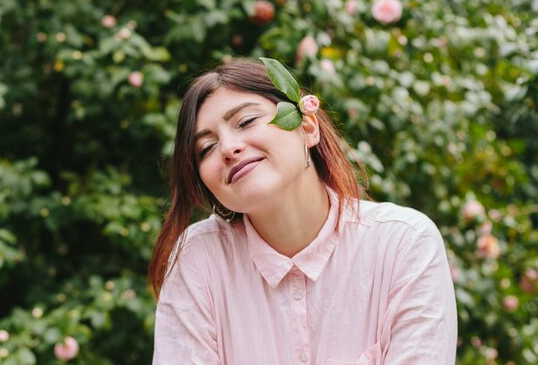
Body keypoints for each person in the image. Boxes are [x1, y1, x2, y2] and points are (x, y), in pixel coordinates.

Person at [149, 57, 457, 365]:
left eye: (245, 122)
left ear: (308, 127)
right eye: (206, 149)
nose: (229, 148)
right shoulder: (198, 260)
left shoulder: (404, 244)